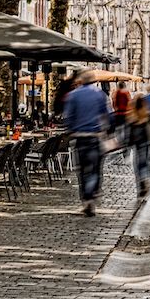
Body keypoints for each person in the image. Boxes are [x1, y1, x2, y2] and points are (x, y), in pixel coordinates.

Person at [63, 71, 109, 216]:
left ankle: (86, 199)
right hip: (95, 137)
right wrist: (108, 130)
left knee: (82, 170)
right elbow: (107, 115)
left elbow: (68, 117)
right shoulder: (100, 94)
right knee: (95, 169)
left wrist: (70, 129)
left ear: (81, 81)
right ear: (94, 81)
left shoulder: (73, 95)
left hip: (80, 137)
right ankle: (91, 196)